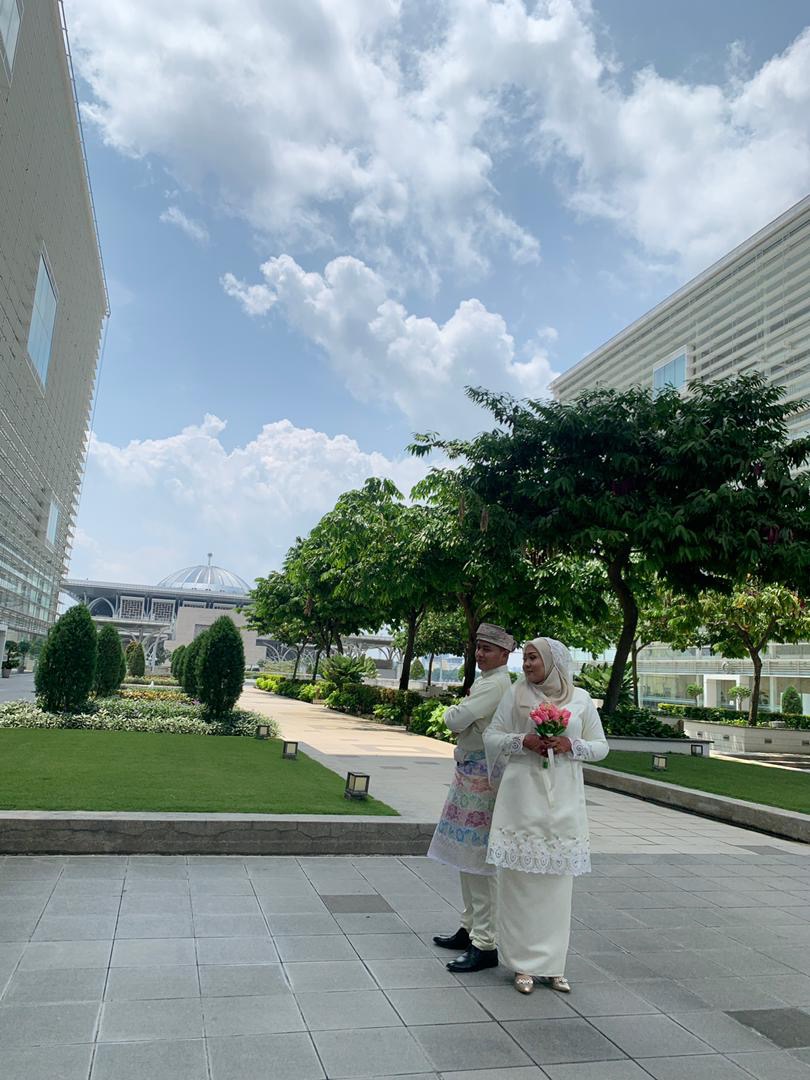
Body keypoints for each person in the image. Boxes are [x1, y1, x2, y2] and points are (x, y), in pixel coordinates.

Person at [483, 636, 608, 994]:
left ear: (553, 662)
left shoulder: (580, 699)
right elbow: (492, 735)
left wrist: (572, 745)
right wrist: (523, 741)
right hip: (522, 798)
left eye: (533, 658)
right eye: (524, 658)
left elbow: (602, 746)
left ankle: (553, 965)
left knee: (557, 887)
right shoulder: (516, 695)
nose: (526, 664)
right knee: (519, 884)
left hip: (563, 798)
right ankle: (522, 964)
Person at [427, 623, 515, 973]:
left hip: (483, 778)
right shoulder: (488, 681)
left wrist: (460, 714)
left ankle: (485, 943)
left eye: (487, 649)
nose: (480, 654)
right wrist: (465, 718)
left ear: (504, 654)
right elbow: (464, 720)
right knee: (467, 857)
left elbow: (455, 719)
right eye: (478, 647)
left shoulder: (495, 684)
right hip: (471, 774)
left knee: (479, 861)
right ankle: (470, 927)